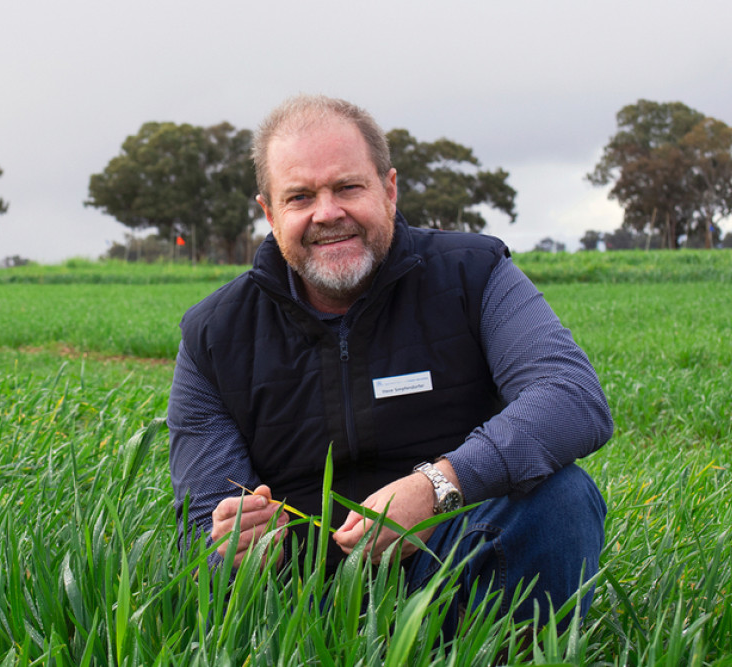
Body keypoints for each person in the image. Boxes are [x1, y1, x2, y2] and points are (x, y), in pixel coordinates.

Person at [168, 94, 612, 630]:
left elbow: (570, 396)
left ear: (390, 189)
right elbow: (203, 527)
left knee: (561, 497)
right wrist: (235, 551)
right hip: (308, 612)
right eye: (300, 196)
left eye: (348, 187)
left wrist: (437, 487)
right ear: (269, 212)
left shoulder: (473, 275)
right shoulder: (213, 334)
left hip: (459, 568)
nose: (327, 213)